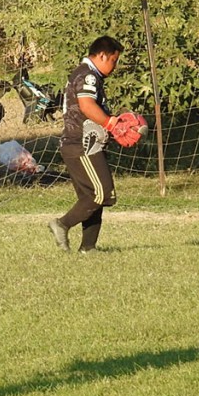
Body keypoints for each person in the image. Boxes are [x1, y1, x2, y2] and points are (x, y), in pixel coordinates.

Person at [49, 36, 135, 254]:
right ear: (102, 55)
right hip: (82, 145)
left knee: (91, 197)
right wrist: (111, 124)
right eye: (114, 60)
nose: (115, 66)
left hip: (82, 144)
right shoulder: (88, 75)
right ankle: (62, 224)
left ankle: (88, 248)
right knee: (101, 194)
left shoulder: (88, 74)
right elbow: (87, 106)